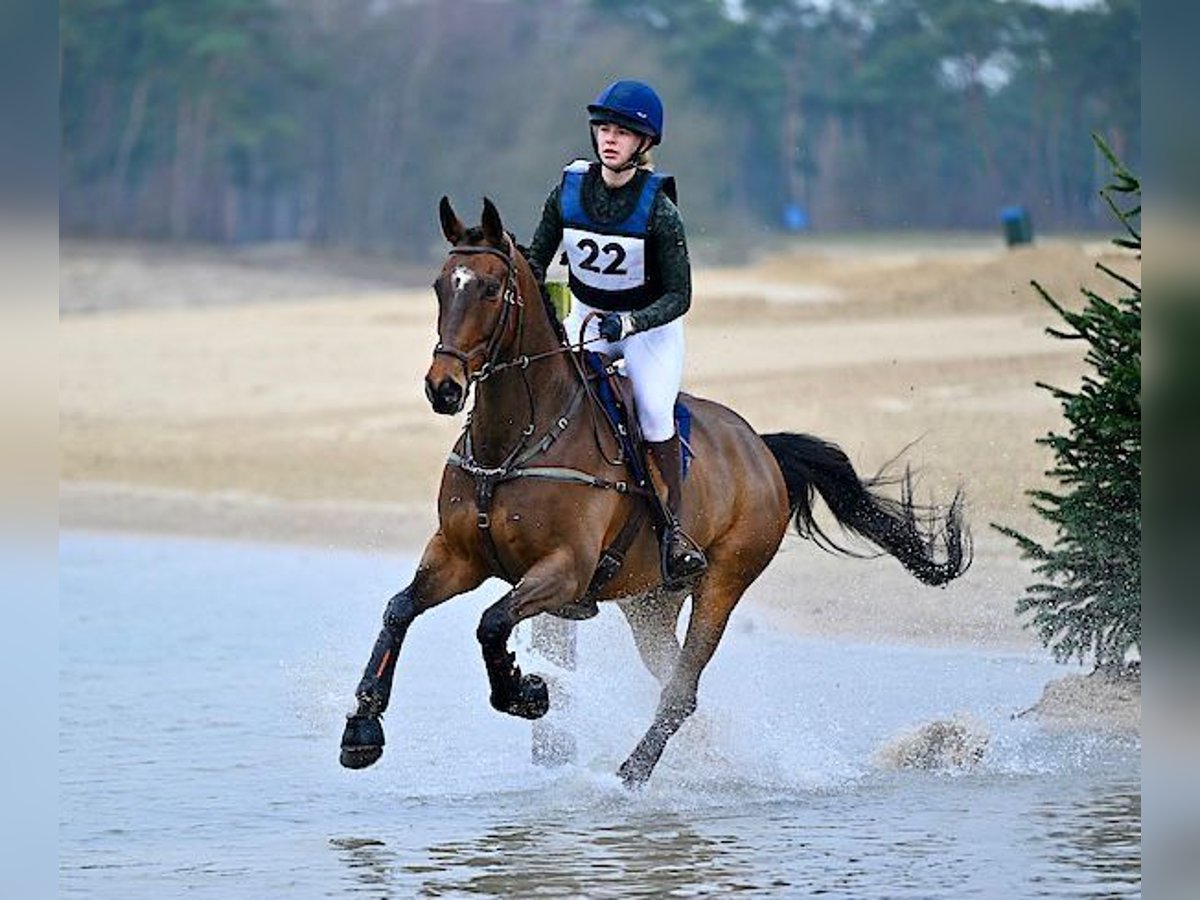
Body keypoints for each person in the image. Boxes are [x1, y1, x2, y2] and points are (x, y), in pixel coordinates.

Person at [527, 79, 707, 584]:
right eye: (604, 128)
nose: (610, 138)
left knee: (652, 411)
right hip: (587, 315)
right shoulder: (566, 193)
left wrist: (630, 322)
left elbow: (681, 295)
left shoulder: (660, 211)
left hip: (649, 325)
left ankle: (675, 532)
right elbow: (536, 261)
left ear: (643, 144)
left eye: (623, 133)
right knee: (552, 390)